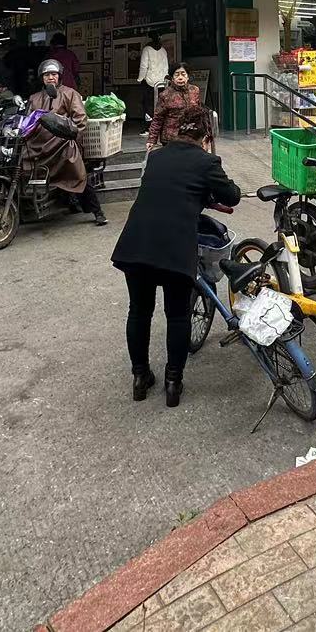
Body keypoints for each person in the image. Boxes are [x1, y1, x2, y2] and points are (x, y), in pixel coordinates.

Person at [110, 106, 239, 408]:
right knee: (178, 315)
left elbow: (168, 188)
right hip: (174, 249)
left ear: (178, 130)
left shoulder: (156, 157)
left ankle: (140, 377)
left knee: (139, 311)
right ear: (206, 136)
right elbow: (232, 195)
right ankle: (173, 383)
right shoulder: (207, 162)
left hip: (137, 243)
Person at [24, 59, 106, 226]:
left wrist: (68, 133)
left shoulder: (70, 94)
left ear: (59, 76)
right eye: (47, 75)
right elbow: (27, 122)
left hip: (62, 143)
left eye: (53, 74)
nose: (50, 78)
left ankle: (97, 212)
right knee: (20, 164)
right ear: (42, 78)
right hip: (37, 145)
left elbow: (80, 120)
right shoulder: (34, 98)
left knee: (77, 173)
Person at [147, 66, 204, 149]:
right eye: (177, 75)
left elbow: (199, 112)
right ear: (172, 78)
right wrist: (152, 140)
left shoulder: (194, 90)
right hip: (171, 138)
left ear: (188, 77)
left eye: (183, 74)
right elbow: (158, 118)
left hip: (192, 136)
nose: (180, 77)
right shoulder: (165, 95)